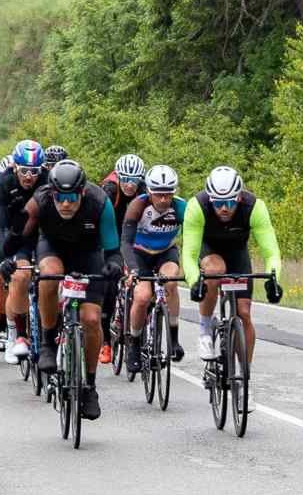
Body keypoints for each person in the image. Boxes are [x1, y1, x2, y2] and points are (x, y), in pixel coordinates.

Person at [4, 160, 123, 421]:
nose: (66, 204)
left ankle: (89, 386)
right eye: (60, 197)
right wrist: (13, 239)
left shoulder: (100, 202)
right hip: (53, 248)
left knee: (91, 319)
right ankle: (48, 341)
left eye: (72, 198)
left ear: (82, 192)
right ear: (52, 194)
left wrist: (114, 265)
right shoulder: (40, 200)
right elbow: (16, 245)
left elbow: (114, 250)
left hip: (89, 254)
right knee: (49, 273)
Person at [182, 166, 283, 363]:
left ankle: (244, 371)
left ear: (239, 197)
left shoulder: (254, 207)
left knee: (244, 312)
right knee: (215, 270)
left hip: (237, 254)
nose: (224, 208)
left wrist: (273, 280)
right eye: (218, 203)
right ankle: (205, 328)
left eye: (229, 202)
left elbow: (271, 252)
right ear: (210, 199)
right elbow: (189, 253)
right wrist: (195, 282)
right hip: (209, 250)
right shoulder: (197, 206)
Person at [120, 165, 188, 372]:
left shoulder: (180, 207)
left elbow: (194, 237)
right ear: (149, 192)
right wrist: (133, 270)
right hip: (139, 254)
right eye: (158, 194)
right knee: (142, 297)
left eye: (168, 194)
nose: (164, 199)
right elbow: (125, 242)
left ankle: (174, 339)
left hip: (166, 252)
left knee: (171, 282)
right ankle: (134, 343)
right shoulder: (137, 206)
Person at [0, 140, 47, 364]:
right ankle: (17, 334)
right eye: (24, 170)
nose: (29, 176)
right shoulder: (2, 185)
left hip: (43, 234)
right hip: (14, 235)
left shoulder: (49, 182)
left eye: (34, 171)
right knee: (20, 276)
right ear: (15, 167)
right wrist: (5, 257)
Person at [98, 153, 147, 364]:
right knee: (108, 286)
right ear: (118, 177)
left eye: (134, 180)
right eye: (125, 179)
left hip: (135, 236)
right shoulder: (109, 190)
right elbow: (101, 221)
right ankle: (105, 342)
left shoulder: (145, 190)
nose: (129, 185)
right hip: (113, 235)